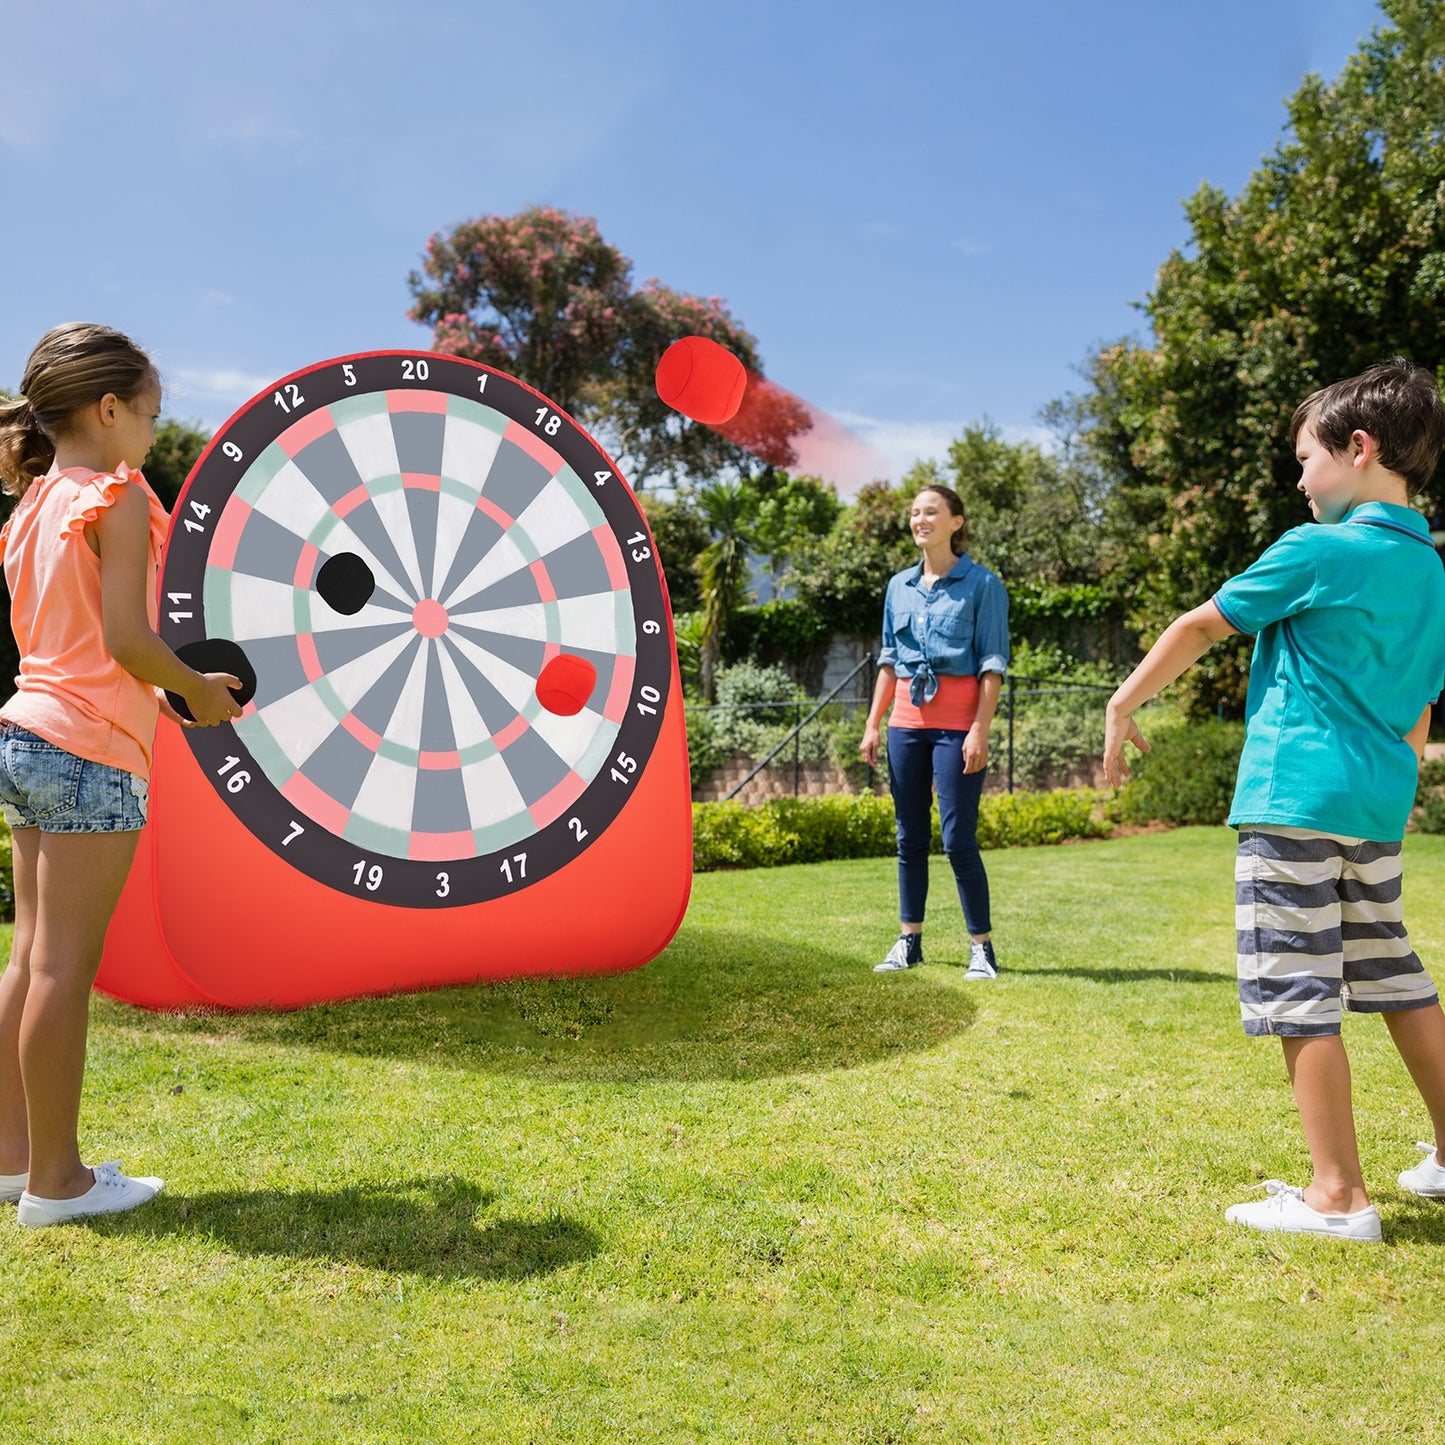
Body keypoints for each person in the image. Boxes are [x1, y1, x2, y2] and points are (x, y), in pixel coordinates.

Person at [1103, 358, 1445, 1242]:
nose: (1298, 478)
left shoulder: (1318, 549)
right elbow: (1417, 706)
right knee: (1394, 979)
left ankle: (1336, 1195)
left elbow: (1199, 624)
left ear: (1357, 448)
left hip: (1293, 795)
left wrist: (1120, 703)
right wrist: (1389, 791)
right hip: (1373, 807)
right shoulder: (1430, 572)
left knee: (1299, 988)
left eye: (1305, 458)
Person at [0, 323, 242, 1227]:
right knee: (63, 967)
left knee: (29, 957)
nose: (149, 433)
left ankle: (15, 1156)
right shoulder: (118, 494)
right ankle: (58, 1184)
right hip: (89, 747)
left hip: (25, 733)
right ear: (107, 410)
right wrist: (199, 692)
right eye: (147, 414)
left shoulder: (30, 505)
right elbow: (129, 642)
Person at [860, 484, 1009, 978]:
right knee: (909, 837)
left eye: (932, 512)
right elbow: (888, 660)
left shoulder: (982, 584)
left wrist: (979, 730)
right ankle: (909, 941)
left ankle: (982, 949)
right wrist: (873, 724)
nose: (920, 520)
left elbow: (992, 665)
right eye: (915, 513)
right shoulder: (898, 586)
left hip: (957, 726)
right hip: (906, 724)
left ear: (956, 522)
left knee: (958, 838)